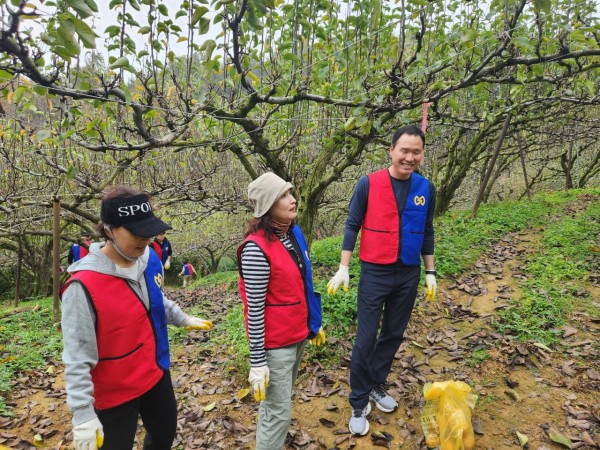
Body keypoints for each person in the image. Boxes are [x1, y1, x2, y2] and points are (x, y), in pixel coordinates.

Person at [61, 185, 213, 450]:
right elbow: (77, 355)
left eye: (148, 231)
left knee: (164, 434)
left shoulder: (147, 260)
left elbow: (154, 298)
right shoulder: (83, 286)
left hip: (153, 372)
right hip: (114, 389)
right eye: (135, 232)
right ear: (108, 230)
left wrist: (181, 318)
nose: (144, 239)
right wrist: (83, 413)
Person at [327, 125, 437, 436]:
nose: (410, 157)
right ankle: (358, 400)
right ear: (391, 150)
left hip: (408, 273)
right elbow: (352, 224)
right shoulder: (368, 184)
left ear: (422, 155)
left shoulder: (426, 188)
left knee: (392, 334)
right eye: (404, 150)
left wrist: (430, 272)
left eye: (416, 152)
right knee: (365, 338)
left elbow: (427, 231)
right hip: (375, 272)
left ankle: (376, 384)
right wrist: (344, 267)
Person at [237, 172, 326, 450]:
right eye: (283, 196)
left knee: (279, 404)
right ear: (267, 205)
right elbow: (254, 309)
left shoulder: (293, 232)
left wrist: (314, 322)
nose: (293, 199)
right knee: (278, 414)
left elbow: (302, 283)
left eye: (291, 193)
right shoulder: (255, 249)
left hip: (298, 334)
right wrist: (258, 361)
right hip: (276, 346)